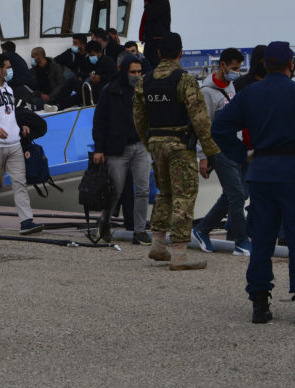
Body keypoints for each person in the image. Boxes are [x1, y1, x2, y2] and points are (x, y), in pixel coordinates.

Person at [213, 42, 295, 324]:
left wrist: (242, 155)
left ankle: (259, 304)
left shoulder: (249, 94)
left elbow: (219, 128)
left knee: (263, 240)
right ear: (291, 64)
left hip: (261, 173)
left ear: (264, 64)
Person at [133, 32, 219, 271]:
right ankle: (180, 253)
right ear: (181, 53)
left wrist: (149, 141)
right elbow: (200, 119)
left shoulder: (145, 81)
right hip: (180, 145)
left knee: (164, 193)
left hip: (156, 143)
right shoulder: (185, 80)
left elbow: (139, 118)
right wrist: (210, 151)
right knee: (185, 194)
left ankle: (158, 243)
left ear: (159, 53)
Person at [0, 54, 44, 235]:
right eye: (8, 67)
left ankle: (26, 220)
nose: (11, 70)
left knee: (20, 182)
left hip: (14, 144)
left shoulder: (9, 90)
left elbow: (11, 113)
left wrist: (22, 125)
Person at [192, 48, 252, 256]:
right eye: (234, 68)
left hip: (234, 148)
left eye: (239, 68)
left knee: (234, 193)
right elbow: (201, 125)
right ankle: (241, 240)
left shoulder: (232, 87)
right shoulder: (207, 92)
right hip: (218, 149)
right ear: (223, 65)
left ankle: (202, 229)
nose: (237, 72)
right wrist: (202, 157)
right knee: (236, 194)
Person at [92, 57, 152, 245]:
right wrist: (99, 149)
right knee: (115, 191)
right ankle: (105, 222)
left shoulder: (144, 91)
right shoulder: (110, 91)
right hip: (117, 148)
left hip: (141, 145)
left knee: (143, 189)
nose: (136, 76)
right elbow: (100, 121)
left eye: (139, 72)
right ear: (124, 71)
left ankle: (140, 230)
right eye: (133, 72)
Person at [140, 0, 171, 70]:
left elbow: (151, 14)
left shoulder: (161, 0)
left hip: (156, 39)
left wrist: (146, 2)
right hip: (152, 38)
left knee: (152, 65)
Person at [84, 40, 117, 105]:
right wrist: (89, 74)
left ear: (99, 52)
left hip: (102, 87)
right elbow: (82, 71)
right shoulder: (88, 60)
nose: (90, 57)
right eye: (89, 55)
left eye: (92, 55)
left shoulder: (108, 61)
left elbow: (114, 76)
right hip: (89, 84)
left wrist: (101, 78)